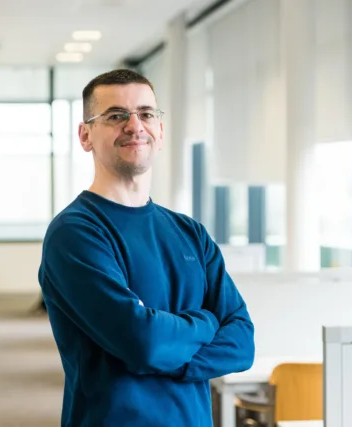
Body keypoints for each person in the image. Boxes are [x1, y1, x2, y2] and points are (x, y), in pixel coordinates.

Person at [38, 69, 254, 427]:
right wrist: (206, 320)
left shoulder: (190, 233)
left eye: (146, 113)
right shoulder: (75, 233)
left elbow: (242, 341)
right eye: (116, 116)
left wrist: (166, 351)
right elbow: (144, 342)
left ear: (160, 130)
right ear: (85, 135)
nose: (135, 126)